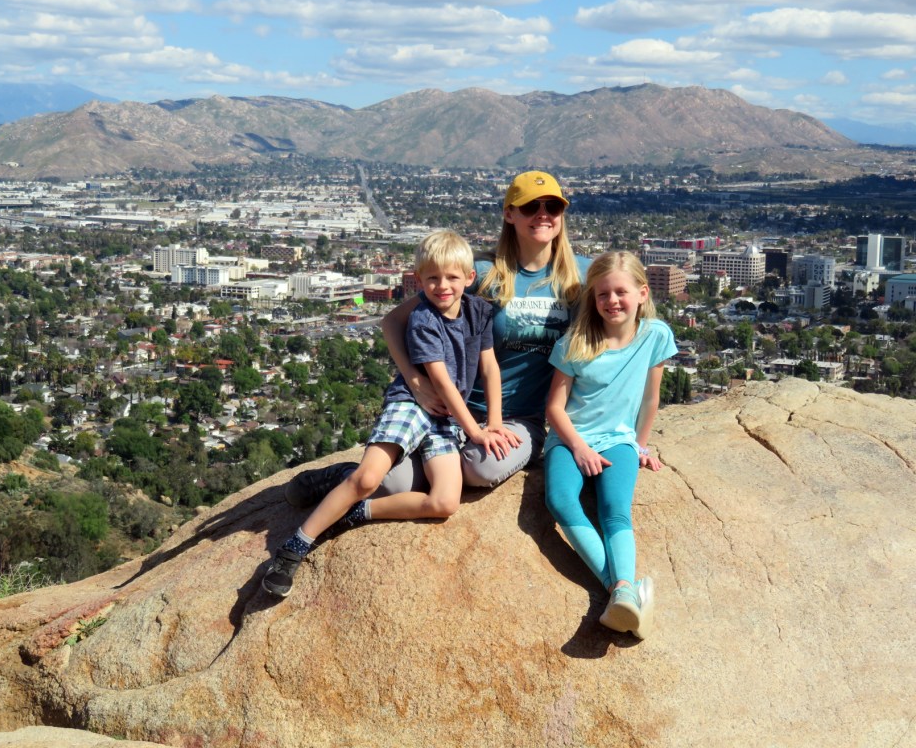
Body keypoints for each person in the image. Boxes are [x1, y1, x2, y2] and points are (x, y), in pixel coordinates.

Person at [282, 170, 589, 505]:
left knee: (481, 469)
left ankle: (420, 470)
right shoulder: (482, 273)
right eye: (531, 207)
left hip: (520, 416)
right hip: (454, 411)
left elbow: (623, 332)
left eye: (553, 207)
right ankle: (342, 476)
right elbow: (393, 322)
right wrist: (416, 382)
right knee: (391, 486)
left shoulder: (581, 276)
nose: (543, 214)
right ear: (509, 213)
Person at [262, 230, 516, 598]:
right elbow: (441, 382)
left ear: (469, 278)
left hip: (445, 418)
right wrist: (475, 432)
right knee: (368, 478)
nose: (441, 286)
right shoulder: (424, 320)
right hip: (415, 404)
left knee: (444, 502)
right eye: (431, 278)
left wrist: (493, 421)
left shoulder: (479, 312)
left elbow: (490, 368)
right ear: (418, 280)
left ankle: (353, 511)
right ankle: (296, 546)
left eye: (451, 277)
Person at [543, 251, 676, 639]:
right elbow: (554, 407)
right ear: (593, 299)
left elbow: (651, 399)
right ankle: (624, 591)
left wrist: (640, 445)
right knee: (560, 500)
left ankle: (621, 595)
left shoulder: (655, 336)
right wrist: (579, 448)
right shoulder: (577, 342)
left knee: (615, 509)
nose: (612, 301)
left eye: (621, 292)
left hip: (619, 438)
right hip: (570, 439)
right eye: (603, 294)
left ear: (642, 293)